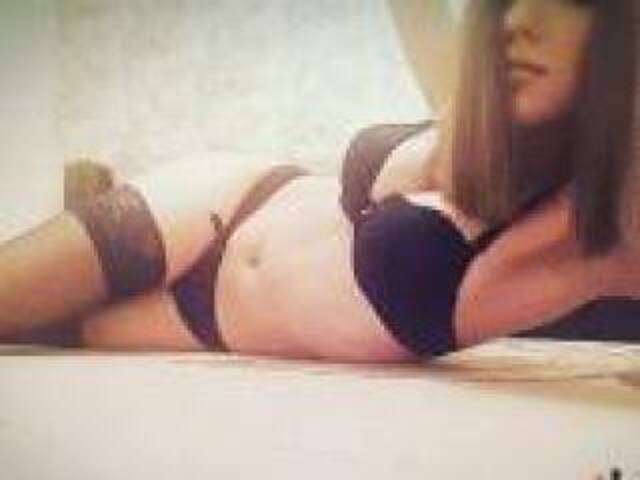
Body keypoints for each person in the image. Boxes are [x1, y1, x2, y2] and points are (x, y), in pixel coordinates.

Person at [0, 0, 637, 361]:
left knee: (31, 339)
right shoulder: (471, 123)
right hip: (219, 203)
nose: (520, 20)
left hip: (212, 325)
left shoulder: (602, 225)